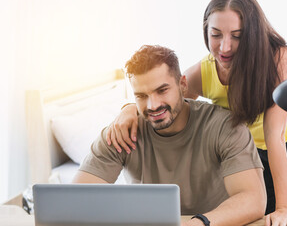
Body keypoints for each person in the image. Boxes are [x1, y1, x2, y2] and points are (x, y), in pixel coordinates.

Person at [105, 0, 287, 226]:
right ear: (206, 32)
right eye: (216, 35)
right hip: (251, 155)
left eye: (237, 36)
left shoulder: (278, 60)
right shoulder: (203, 72)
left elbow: (275, 136)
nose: (224, 47)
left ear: (252, 34)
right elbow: (165, 102)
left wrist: (285, 208)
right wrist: (128, 108)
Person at [73, 45, 266, 226]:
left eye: (162, 90)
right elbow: (76, 201)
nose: (152, 105)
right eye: (141, 96)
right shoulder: (122, 132)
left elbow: (253, 200)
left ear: (183, 84)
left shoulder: (224, 127)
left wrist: (197, 224)